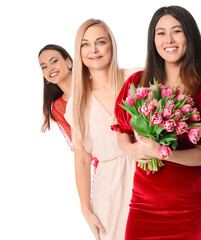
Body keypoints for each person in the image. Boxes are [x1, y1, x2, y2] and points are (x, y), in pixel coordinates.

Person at [114, 6, 201, 240]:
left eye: (177, 31)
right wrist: (133, 149)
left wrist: (161, 152)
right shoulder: (137, 82)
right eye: (161, 33)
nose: (169, 40)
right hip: (143, 204)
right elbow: (121, 132)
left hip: (191, 208)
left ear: (189, 36)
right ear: (153, 39)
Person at [64, 19, 140, 240]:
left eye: (100, 42)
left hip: (150, 174)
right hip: (110, 191)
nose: (93, 50)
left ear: (112, 46)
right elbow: (82, 159)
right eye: (85, 44)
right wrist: (85, 210)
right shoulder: (77, 102)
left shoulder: (136, 78)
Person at [38, 44, 99, 173]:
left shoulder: (94, 82)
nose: (50, 68)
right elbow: (81, 148)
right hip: (104, 162)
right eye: (44, 66)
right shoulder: (58, 107)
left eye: (54, 61)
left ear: (68, 62)